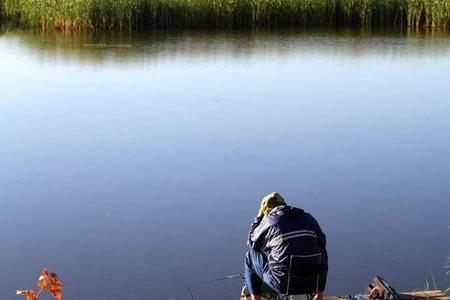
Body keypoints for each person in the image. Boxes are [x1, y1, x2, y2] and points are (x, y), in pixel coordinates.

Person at [244, 192, 328, 300]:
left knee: (250, 256)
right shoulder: (308, 218)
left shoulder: (269, 221)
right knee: (322, 251)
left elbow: (252, 243)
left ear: (267, 211)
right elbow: (322, 242)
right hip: (312, 282)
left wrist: (258, 218)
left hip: (283, 284)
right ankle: (319, 295)